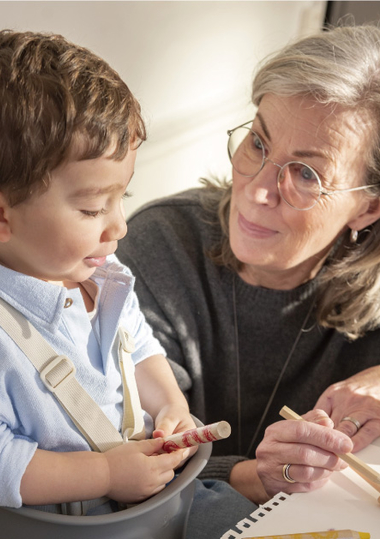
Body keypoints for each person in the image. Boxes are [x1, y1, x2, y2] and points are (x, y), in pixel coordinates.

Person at [0, 30, 254, 539]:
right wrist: (107, 475)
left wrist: (172, 409)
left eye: (123, 199)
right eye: (92, 207)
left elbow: (137, 348)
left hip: (138, 504)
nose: (119, 227)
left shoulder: (103, 274)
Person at [117, 24, 380, 509]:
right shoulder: (160, 248)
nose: (257, 191)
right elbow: (123, 463)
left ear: (367, 209)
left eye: (306, 173)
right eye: (258, 143)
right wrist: (250, 477)